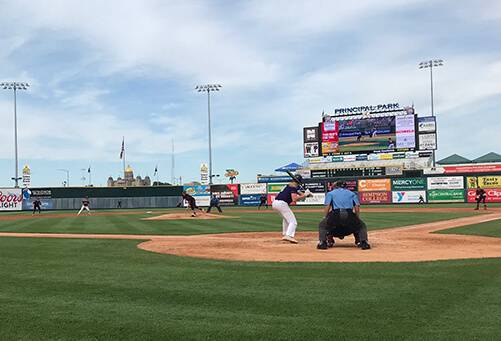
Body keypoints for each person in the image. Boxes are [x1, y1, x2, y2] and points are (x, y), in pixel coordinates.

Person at [317, 180, 371, 250]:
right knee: (361, 226)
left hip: (336, 214)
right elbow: (357, 206)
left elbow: (327, 206)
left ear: (336, 186)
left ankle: (323, 243)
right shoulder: (352, 193)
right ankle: (363, 242)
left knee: (323, 225)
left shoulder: (330, 193)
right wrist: (357, 218)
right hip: (349, 213)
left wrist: (325, 217)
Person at [271, 176, 310, 243]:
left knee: (286, 219)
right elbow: (294, 199)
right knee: (293, 222)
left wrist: (307, 194)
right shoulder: (293, 187)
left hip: (275, 203)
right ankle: (288, 235)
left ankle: (285, 234)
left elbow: (300, 193)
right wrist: (305, 195)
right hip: (281, 204)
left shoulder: (290, 186)